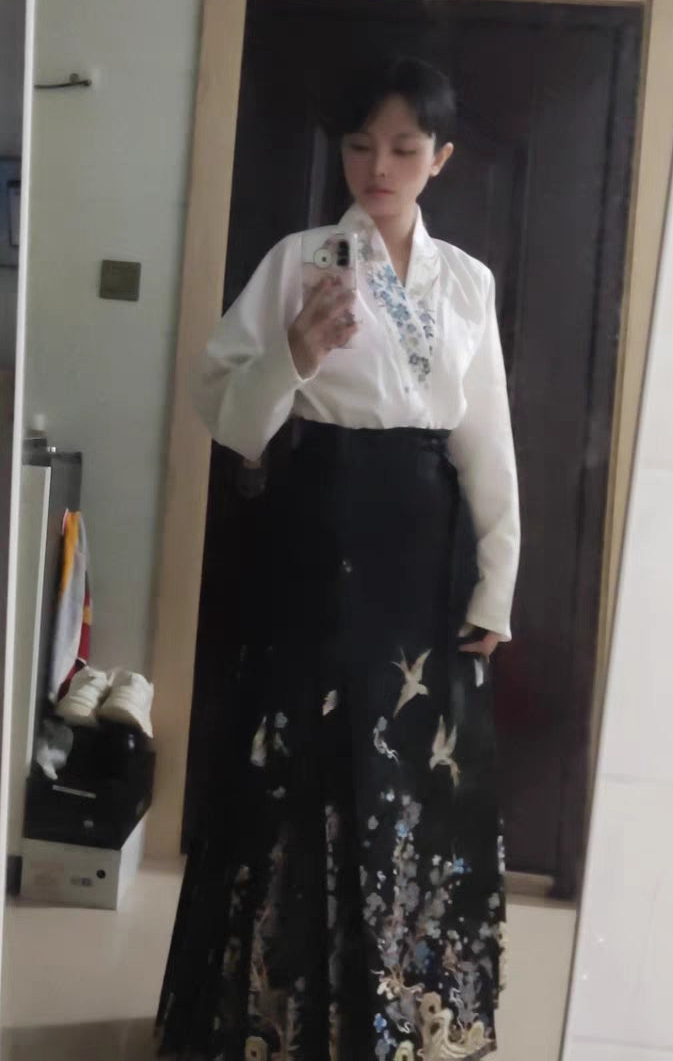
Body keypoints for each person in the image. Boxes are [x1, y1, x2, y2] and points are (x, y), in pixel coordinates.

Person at [156, 56, 520, 1061]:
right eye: (360, 145)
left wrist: (496, 581)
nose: (378, 167)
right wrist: (295, 355)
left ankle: (399, 1022)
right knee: (300, 766)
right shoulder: (300, 259)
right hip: (316, 532)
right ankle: (275, 1020)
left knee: (415, 773)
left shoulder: (465, 283)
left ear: (440, 158)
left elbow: (486, 438)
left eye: (403, 147)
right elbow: (224, 411)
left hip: (423, 542)